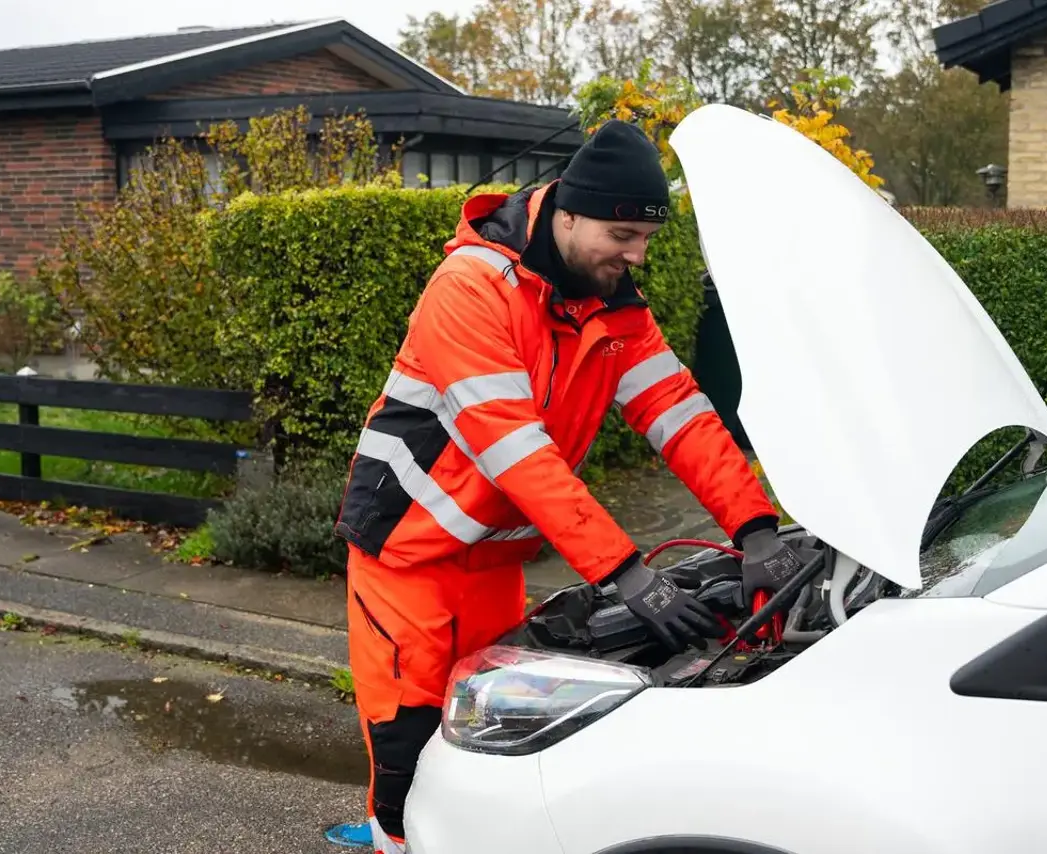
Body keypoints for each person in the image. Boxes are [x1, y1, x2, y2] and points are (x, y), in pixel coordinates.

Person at [324, 119, 805, 853]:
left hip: (493, 555)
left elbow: (678, 414)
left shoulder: (612, 305)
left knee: (484, 730)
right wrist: (626, 573)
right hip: (408, 553)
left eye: (647, 238)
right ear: (569, 215)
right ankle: (392, 838)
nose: (637, 254)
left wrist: (757, 529)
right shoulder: (470, 288)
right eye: (623, 235)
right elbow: (516, 453)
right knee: (407, 743)